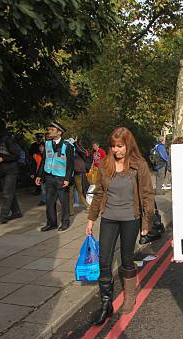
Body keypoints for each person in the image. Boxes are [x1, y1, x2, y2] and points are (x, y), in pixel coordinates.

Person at [86, 127, 154, 325]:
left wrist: (146, 222)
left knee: (126, 259)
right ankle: (106, 304)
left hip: (130, 218)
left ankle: (130, 297)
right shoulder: (106, 163)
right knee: (104, 261)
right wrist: (91, 218)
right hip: (109, 217)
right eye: (113, 146)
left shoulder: (138, 165)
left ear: (128, 144)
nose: (116, 150)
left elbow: (147, 194)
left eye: (120, 146)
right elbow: (98, 193)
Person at [36, 122, 74, 232]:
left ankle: (65, 222)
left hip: (61, 177)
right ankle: (51, 223)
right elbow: (44, 160)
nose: (50, 131)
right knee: (49, 201)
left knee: (64, 201)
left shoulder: (67, 145)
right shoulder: (47, 143)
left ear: (59, 132)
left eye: (52, 129)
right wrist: (39, 175)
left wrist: (67, 178)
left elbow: (70, 164)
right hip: (49, 176)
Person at [0, 120, 23, 224]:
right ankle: (16, 212)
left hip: (10, 170)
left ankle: (4, 215)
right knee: (9, 192)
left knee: (7, 193)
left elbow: (16, 154)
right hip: (1, 170)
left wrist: (2, 159)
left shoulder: (8, 139)